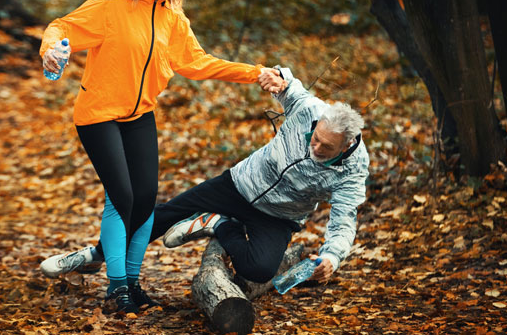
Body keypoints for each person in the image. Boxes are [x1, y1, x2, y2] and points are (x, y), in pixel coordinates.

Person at [38, 0, 282, 315]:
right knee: (122, 197)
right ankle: (116, 289)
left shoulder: (173, 19)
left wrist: (256, 73)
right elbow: (62, 26)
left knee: (146, 200)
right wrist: (51, 48)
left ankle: (133, 283)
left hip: (139, 117)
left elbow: (199, 62)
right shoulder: (109, 7)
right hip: (98, 115)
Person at [151, 67, 369, 285]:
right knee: (162, 216)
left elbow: (344, 221)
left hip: (279, 215)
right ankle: (121, 274)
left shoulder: (353, 170)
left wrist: (332, 257)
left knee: (259, 270)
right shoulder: (309, 110)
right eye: (316, 137)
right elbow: (289, 85)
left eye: (327, 146)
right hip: (240, 184)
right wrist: (278, 77)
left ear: (345, 146)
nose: (316, 147)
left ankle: (218, 223)